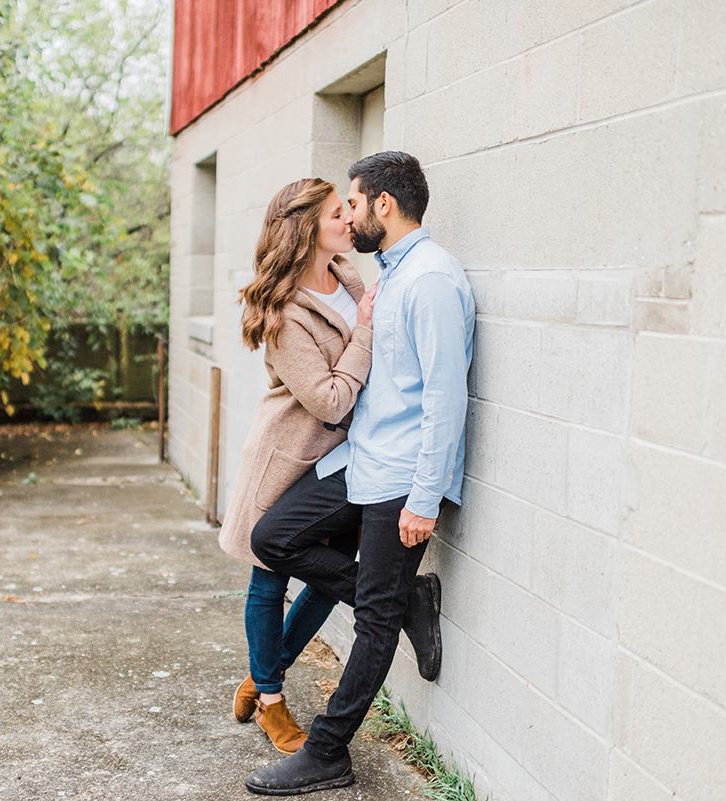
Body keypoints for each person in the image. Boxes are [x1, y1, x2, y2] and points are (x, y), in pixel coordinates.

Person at [244, 152, 475, 795]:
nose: (347, 213)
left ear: (383, 205)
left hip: (402, 475)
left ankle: (327, 751)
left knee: (372, 621)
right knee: (272, 539)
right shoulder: (388, 275)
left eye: (353, 201)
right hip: (359, 460)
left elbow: (445, 401)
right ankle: (408, 598)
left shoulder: (428, 279)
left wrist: (424, 499)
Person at [218, 177, 375, 755]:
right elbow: (331, 399)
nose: (350, 219)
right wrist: (365, 330)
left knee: (329, 572)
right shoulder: (284, 314)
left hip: (339, 460)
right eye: (339, 213)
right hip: (289, 455)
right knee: (270, 574)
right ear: (309, 229)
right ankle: (272, 702)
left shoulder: (350, 277)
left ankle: (263, 673)